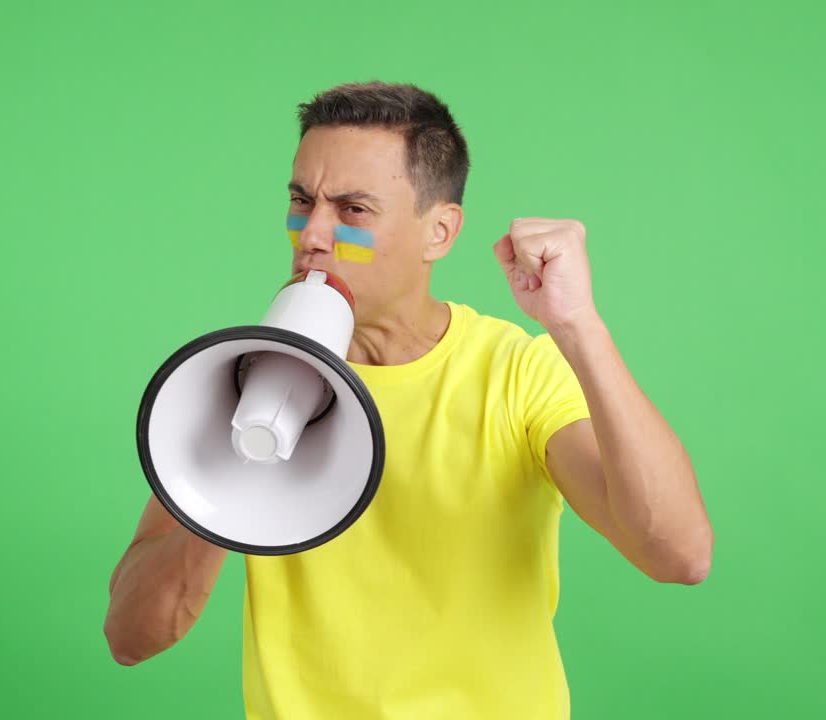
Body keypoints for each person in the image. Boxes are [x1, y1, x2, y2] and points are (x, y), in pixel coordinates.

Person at [104, 81, 713, 719]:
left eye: (353, 210)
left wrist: (578, 326)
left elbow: (680, 554)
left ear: (439, 232)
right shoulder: (230, 382)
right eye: (301, 200)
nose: (312, 233)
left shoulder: (516, 373)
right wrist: (237, 460)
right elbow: (132, 637)